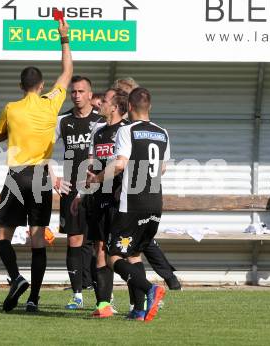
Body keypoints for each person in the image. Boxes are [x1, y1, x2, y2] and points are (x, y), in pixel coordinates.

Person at [0, 19, 72, 313]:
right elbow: (67, 72)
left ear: (20, 86)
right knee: (37, 240)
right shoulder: (51, 103)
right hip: (40, 177)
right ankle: (34, 299)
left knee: (3, 236)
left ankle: (15, 278)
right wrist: (63, 38)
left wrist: (9, 132)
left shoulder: (11, 108)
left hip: (16, 176)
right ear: (40, 86)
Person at [87, 87, 168, 322]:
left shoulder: (127, 131)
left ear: (129, 108)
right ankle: (139, 310)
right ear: (149, 107)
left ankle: (150, 288)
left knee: (113, 256)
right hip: (155, 202)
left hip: (132, 202)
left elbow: (120, 164)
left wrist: (98, 179)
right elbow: (161, 168)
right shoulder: (163, 133)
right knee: (135, 254)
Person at [55, 75, 104, 309]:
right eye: (73, 92)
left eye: (81, 92)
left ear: (90, 95)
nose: (76, 96)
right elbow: (41, 149)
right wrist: (52, 176)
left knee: (99, 244)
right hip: (71, 189)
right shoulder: (61, 121)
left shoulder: (101, 122)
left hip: (96, 190)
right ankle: (77, 295)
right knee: (74, 240)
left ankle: (104, 297)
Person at [87, 88, 130, 318]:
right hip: (100, 197)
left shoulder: (127, 131)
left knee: (127, 251)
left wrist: (123, 189)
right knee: (100, 249)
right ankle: (104, 305)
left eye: (103, 101)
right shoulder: (99, 131)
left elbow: (132, 165)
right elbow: (94, 163)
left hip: (121, 200)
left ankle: (140, 298)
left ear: (114, 107)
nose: (99, 103)